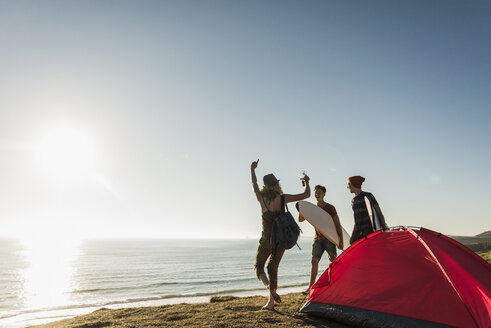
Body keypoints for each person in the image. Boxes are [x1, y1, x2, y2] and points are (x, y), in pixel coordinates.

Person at [251, 159, 310, 310]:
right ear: (276, 184)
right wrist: (307, 182)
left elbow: (254, 184)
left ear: (265, 186)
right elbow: (306, 194)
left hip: (266, 240)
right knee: (273, 268)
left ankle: (269, 288)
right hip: (281, 240)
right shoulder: (283, 198)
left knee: (259, 267)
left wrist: (252, 169)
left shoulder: (261, 198)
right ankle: (271, 299)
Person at [299, 184, 344, 294]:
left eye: (319, 192)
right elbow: (300, 219)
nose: (317, 194)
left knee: (333, 261)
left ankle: (337, 284)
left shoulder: (330, 208)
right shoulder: (312, 209)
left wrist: (340, 240)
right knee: (314, 261)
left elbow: (337, 224)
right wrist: (302, 208)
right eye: (315, 192)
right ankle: (310, 287)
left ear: (324, 194)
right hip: (318, 239)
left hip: (329, 238)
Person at [347, 175, 389, 244]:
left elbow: (379, 213)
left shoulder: (368, 196)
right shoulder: (353, 201)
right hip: (358, 233)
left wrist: (384, 229)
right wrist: (352, 236)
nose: (348, 187)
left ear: (354, 184)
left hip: (369, 231)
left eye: (349, 184)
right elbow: (357, 220)